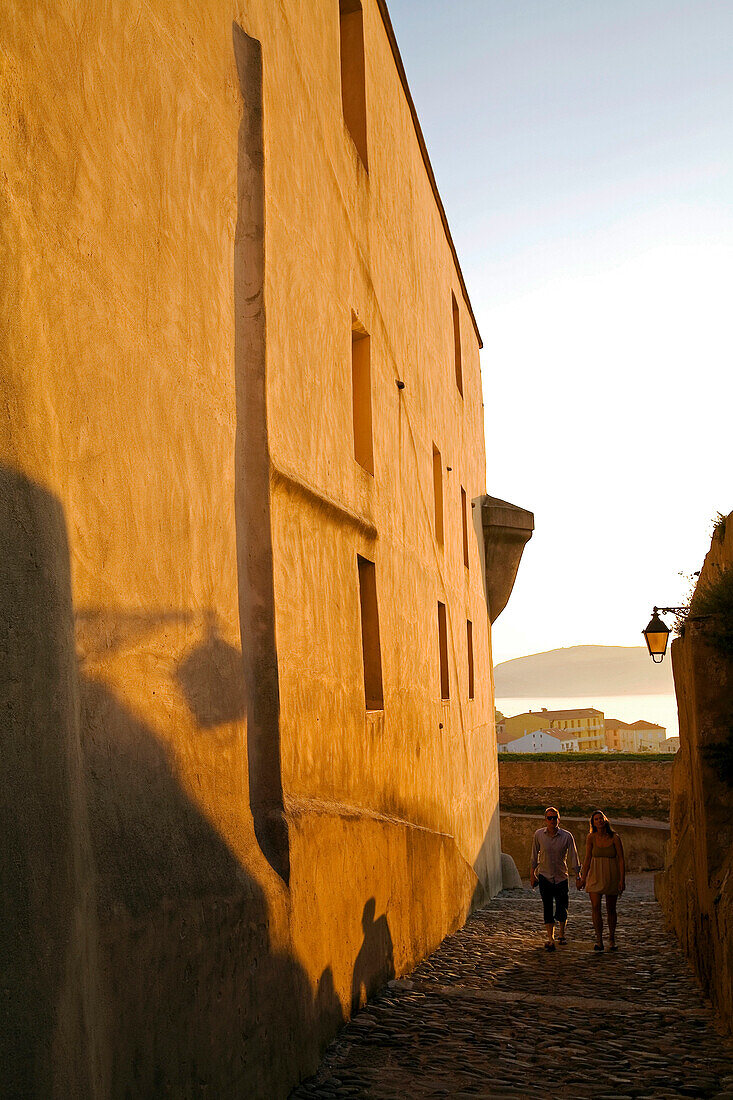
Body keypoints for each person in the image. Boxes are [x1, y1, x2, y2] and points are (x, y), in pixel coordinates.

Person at [530, 807, 582, 951]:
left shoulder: (567, 836)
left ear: (559, 819)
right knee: (547, 907)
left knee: (562, 907)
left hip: (561, 877)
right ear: (545, 819)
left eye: (554, 817)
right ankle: (550, 938)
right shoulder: (539, 835)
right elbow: (534, 855)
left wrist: (578, 875)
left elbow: (574, 856)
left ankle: (562, 934)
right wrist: (532, 873)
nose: (552, 820)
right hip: (545, 876)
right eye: (549, 818)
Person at [579, 809, 625, 951]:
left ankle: (612, 938)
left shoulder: (615, 838)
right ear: (593, 823)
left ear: (605, 820)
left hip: (611, 875)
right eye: (596, 819)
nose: (599, 821)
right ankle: (599, 939)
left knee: (611, 909)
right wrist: (582, 877)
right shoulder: (591, 838)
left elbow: (621, 860)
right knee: (595, 907)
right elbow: (587, 859)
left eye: (600, 818)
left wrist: (622, 880)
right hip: (595, 874)